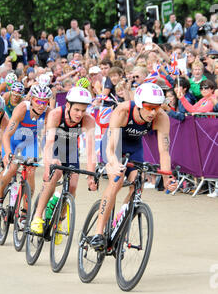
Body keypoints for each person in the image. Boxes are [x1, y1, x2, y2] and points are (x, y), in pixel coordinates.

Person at [90, 82, 178, 251]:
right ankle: (98, 232)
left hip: (134, 147)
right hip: (115, 145)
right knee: (117, 179)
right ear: (139, 104)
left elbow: (164, 152)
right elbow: (110, 147)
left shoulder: (161, 118)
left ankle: (120, 222)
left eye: (157, 107)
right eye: (149, 107)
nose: (153, 112)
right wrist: (114, 164)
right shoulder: (122, 111)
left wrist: (167, 178)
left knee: (138, 181)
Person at [30, 86, 97, 238]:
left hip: (72, 150)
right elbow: (48, 144)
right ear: (68, 106)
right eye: (77, 110)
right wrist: (48, 169)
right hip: (54, 147)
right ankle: (37, 217)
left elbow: (91, 151)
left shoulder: (89, 120)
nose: (80, 114)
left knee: (73, 187)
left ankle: (59, 221)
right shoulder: (55, 114)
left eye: (83, 110)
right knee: (56, 172)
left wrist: (91, 176)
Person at [0, 84, 53, 218]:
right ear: (32, 99)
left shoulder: (49, 112)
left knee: (30, 171)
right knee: (12, 167)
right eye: (38, 101)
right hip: (13, 141)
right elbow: (6, 135)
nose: (42, 105)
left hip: (30, 143)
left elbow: (48, 137)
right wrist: (8, 153)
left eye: (45, 102)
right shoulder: (21, 108)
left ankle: (24, 214)